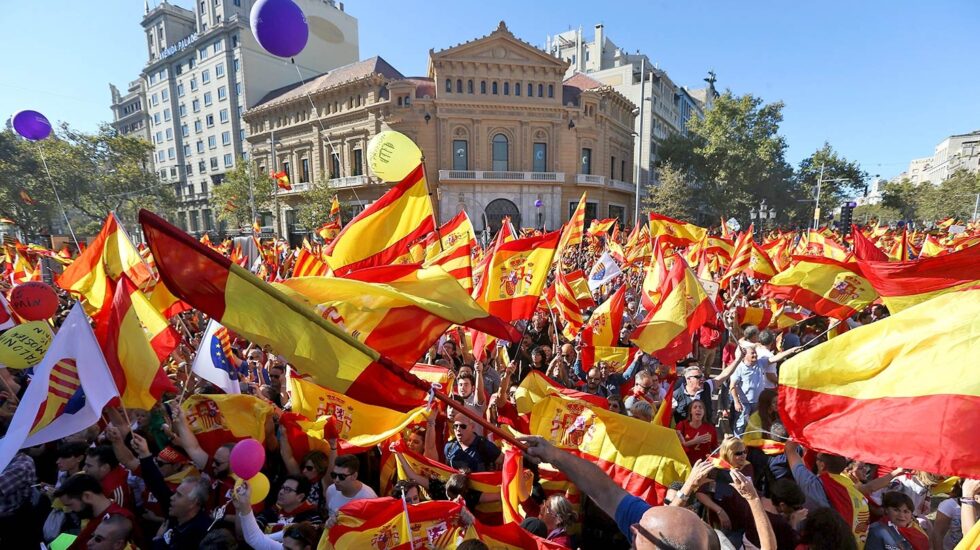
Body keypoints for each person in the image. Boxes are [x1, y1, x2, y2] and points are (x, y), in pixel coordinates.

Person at [519, 435, 730, 549]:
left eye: (642, 532)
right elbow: (605, 490)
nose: (634, 528)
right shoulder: (650, 524)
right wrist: (555, 455)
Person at [784, 441, 870, 547]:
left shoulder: (814, 485)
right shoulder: (852, 487)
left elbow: (790, 449)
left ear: (822, 465)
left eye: (817, 458)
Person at [53, 474, 135, 549]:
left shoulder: (121, 520)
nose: (69, 510)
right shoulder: (92, 516)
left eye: (70, 505)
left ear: (87, 496)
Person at [152, 477, 212, 549]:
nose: (172, 497)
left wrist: (158, 540)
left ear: (193, 503)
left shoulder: (198, 535)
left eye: (179, 495)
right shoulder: (175, 519)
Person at [257, 475, 322, 534]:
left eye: (287, 489)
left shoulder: (312, 519)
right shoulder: (272, 511)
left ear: (300, 497)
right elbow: (254, 529)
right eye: (282, 487)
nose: (281, 492)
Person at [84, 445, 134, 510]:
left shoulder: (114, 490)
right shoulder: (111, 471)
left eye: (89, 466)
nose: (84, 469)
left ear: (105, 467)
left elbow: (118, 516)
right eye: (85, 464)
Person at [730, 347, 765, 436]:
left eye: (755, 353)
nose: (755, 355)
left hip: (757, 402)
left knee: (755, 423)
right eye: (752, 353)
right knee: (741, 424)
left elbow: (774, 359)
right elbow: (732, 386)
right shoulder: (739, 368)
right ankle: (738, 443)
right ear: (745, 356)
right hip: (744, 403)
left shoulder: (760, 363)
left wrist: (792, 350)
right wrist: (736, 402)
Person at [675, 399, 717, 464]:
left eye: (701, 407)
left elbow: (715, 449)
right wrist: (695, 441)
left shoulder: (710, 428)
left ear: (704, 412)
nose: (698, 409)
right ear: (690, 412)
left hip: (703, 465)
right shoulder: (682, 425)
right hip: (684, 463)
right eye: (695, 407)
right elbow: (676, 446)